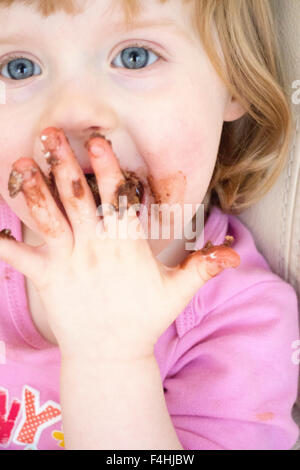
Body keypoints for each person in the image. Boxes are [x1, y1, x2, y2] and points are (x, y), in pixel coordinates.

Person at [0, 0, 298, 450]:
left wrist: (109, 357)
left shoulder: (238, 321)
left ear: (235, 79)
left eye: (134, 55)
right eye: (19, 67)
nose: (72, 113)